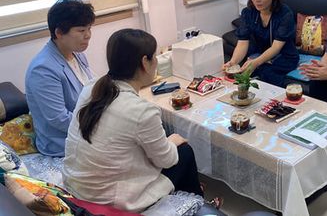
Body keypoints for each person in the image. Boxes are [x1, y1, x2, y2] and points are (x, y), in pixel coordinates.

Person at [63, 29, 219, 212]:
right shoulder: (142, 112)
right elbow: (167, 161)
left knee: (163, 143)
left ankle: (191, 195)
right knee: (183, 151)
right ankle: (196, 205)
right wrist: (172, 141)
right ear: (145, 62)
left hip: (75, 185)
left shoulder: (92, 87)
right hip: (107, 202)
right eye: (154, 57)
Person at [25, 0, 95, 157]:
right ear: (59, 33)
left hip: (87, 126)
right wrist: (100, 124)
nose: (88, 35)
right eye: (81, 30)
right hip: (62, 142)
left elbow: (92, 88)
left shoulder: (77, 54)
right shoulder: (43, 69)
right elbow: (59, 119)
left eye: (89, 28)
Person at [223, 0, 299, 87]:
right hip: (258, 54)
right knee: (241, 68)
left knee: (264, 71)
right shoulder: (248, 13)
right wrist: (233, 62)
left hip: (283, 56)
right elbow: (243, 42)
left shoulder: (285, 13)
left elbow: (276, 47)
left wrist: (256, 62)